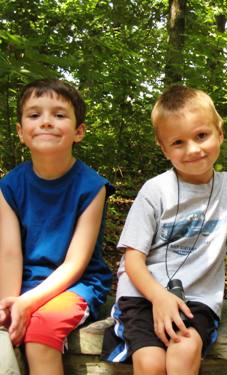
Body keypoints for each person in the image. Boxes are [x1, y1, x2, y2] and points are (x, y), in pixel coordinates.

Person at [101, 84, 227, 375]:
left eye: (202, 135)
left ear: (220, 132)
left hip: (196, 297)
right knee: (150, 362)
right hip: (142, 294)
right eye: (178, 142)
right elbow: (132, 259)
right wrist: (159, 297)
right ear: (164, 149)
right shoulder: (155, 190)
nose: (193, 149)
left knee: (184, 350)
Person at [0, 79, 114, 375]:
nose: (46, 122)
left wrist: (27, 303)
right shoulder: (9, 187)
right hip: (24, 283)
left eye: (59, 115)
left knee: (40, 334)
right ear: (21, 132)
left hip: (77, 284)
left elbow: (76, 263)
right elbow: (10, 255)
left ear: (79, 132)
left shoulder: (92, 187)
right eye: (34, 115)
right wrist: (10, 306)